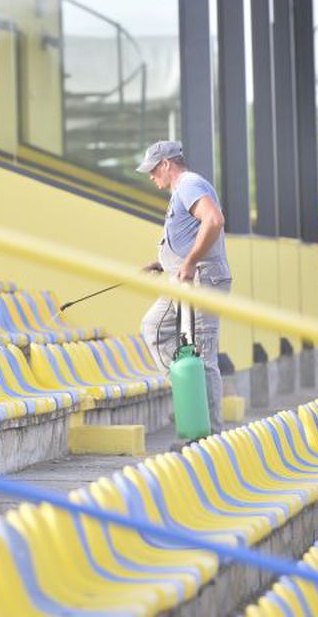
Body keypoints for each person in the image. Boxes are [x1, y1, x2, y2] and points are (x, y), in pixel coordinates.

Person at [136, 140, 232, 433]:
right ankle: (190, 398)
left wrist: (189, 263)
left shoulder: (188, 183)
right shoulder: (184, 188)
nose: (152, 177)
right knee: (154, 327)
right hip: (184, 278)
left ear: (166, 164)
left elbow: (213, 220)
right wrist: (165, 262)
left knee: (202, 357)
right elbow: (192, 232)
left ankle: (210, 433)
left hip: (200, 279)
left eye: (153, 171)